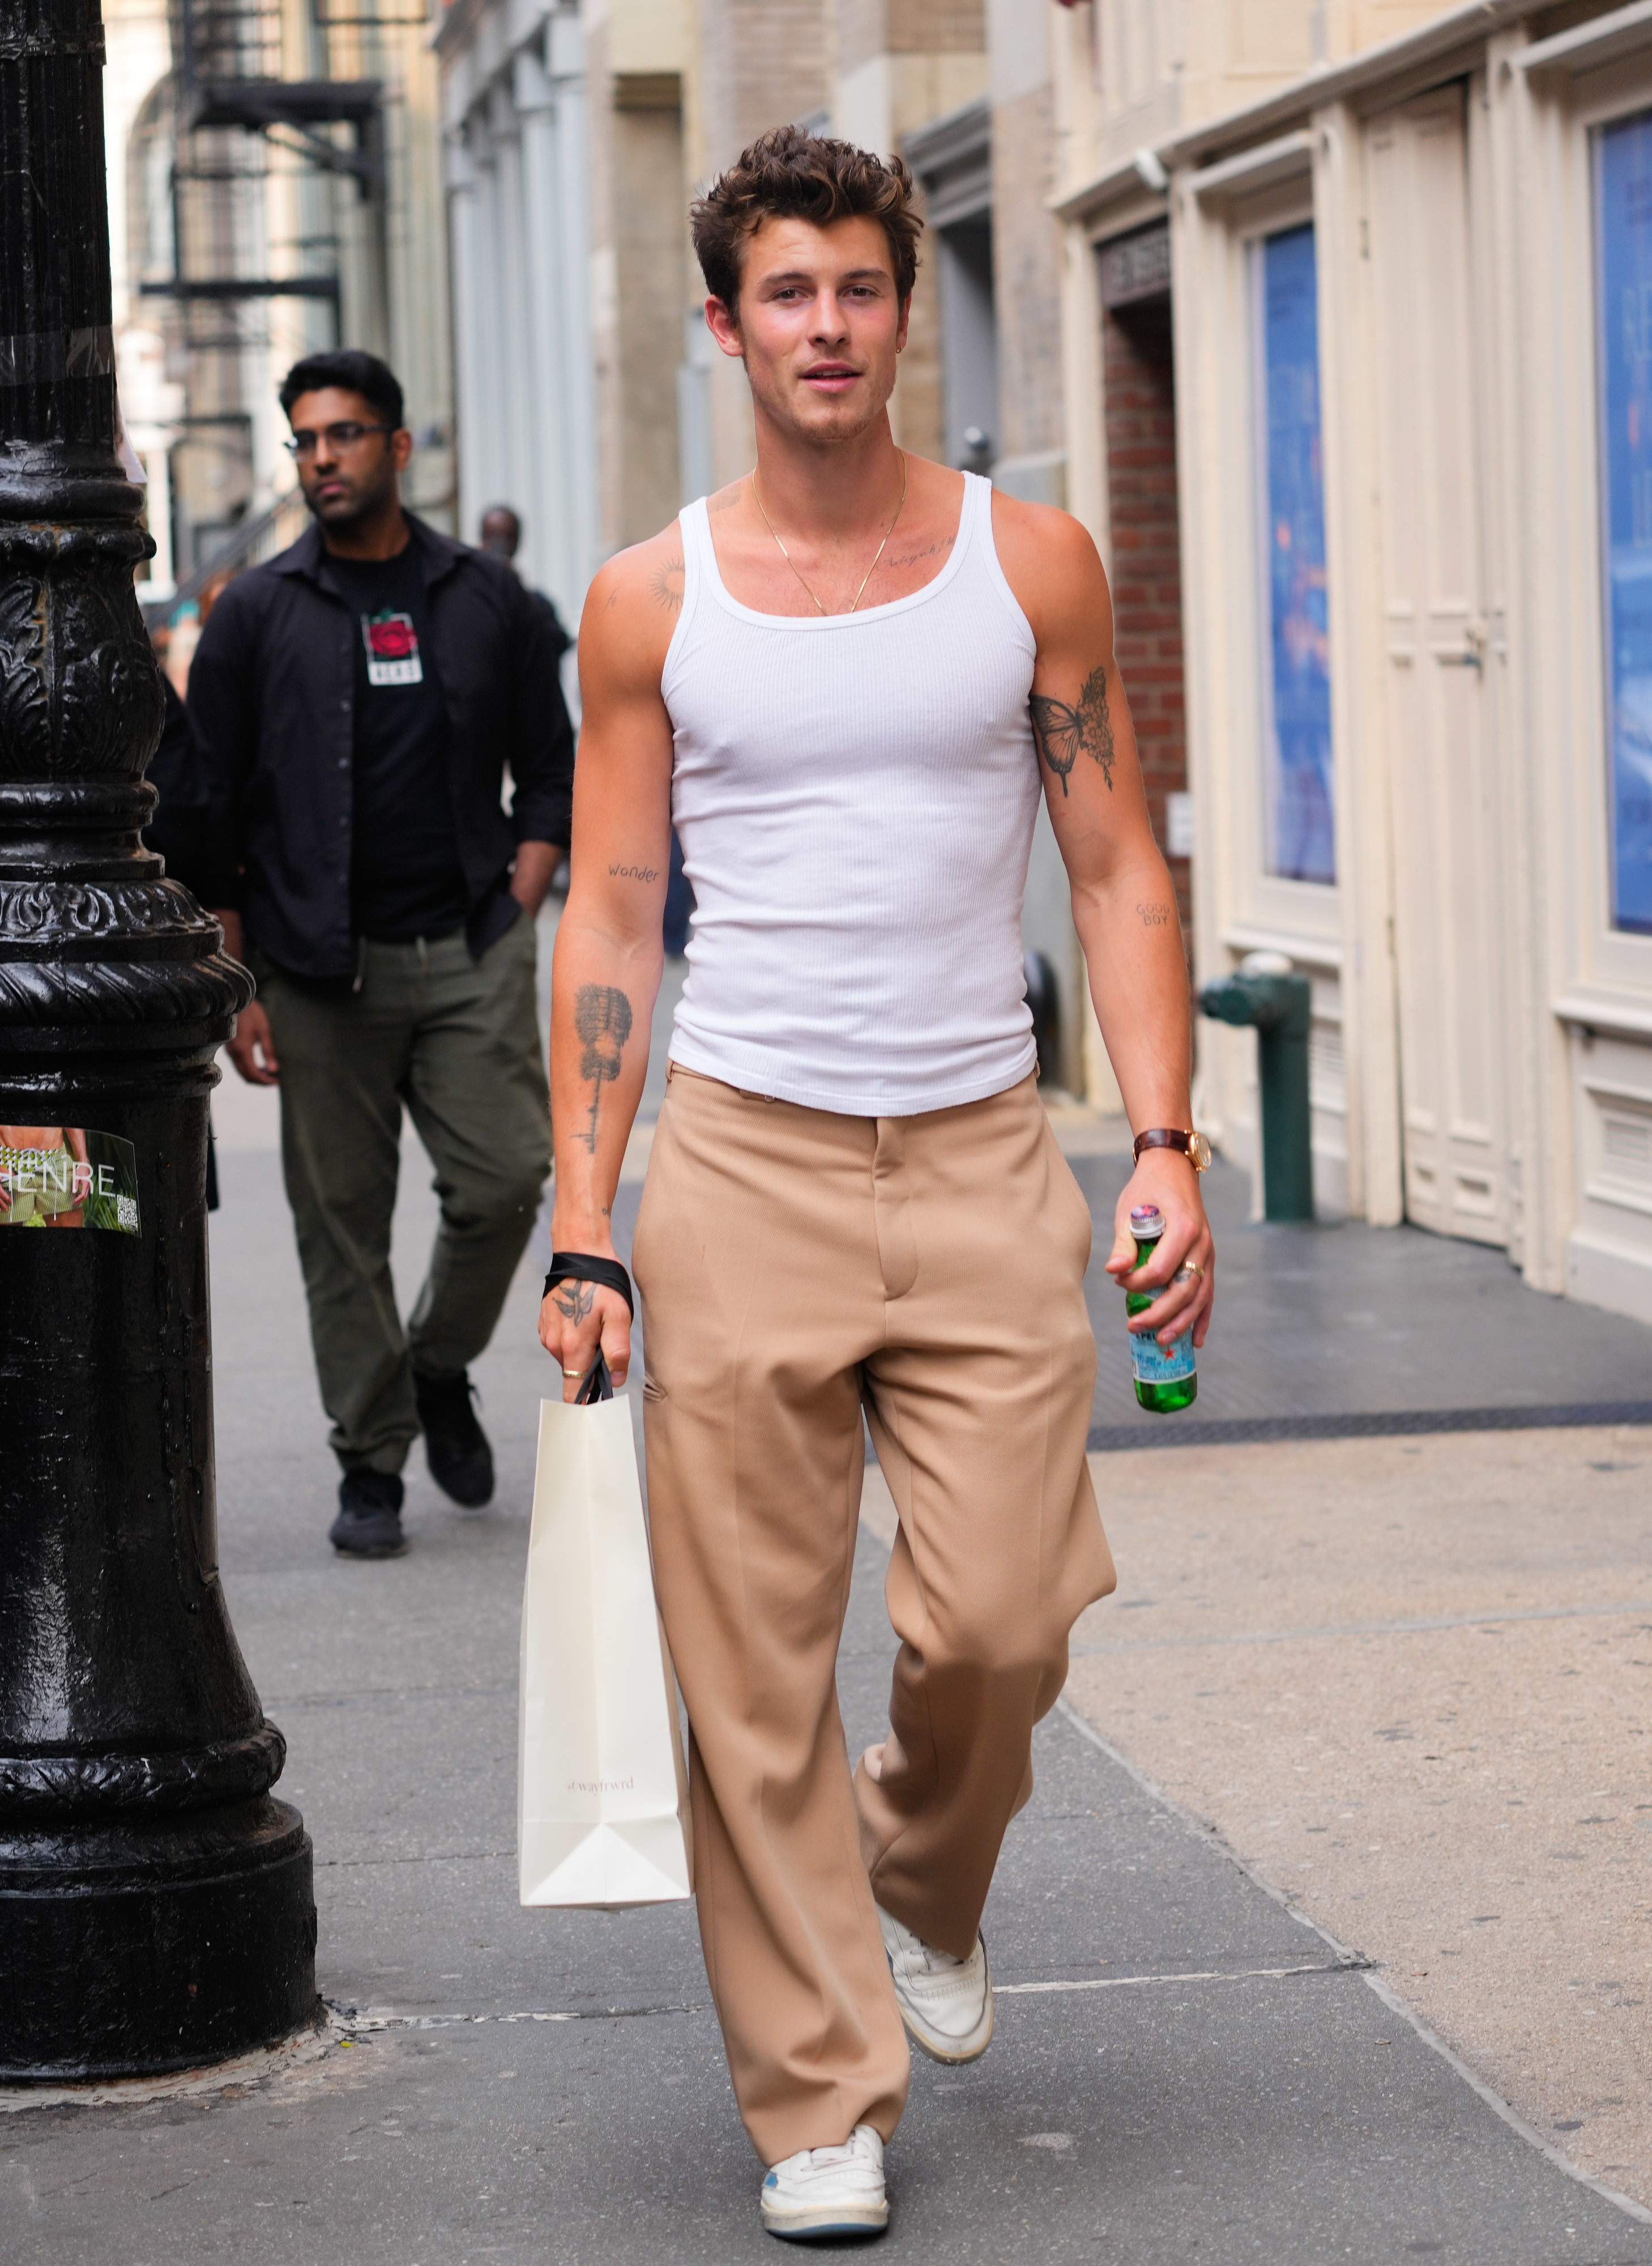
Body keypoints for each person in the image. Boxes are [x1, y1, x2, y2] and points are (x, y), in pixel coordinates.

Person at [539, 127, 1215, 2241]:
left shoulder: (1026, 567)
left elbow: (1111, 864)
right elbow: (618, 912)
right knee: (745, 1670)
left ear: (901, 308)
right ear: (723, 322)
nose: (825, 328)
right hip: (734, 1163)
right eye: (786, 294)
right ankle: (814, 2097)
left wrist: (1169, 1142)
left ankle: (920, 1875)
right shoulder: (651, 598)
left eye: (859, 289)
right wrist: (584, 1214)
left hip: (980, 1158)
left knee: (1001, 1619)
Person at [193, 349, 573, 1560]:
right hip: (314, 966)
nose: (322, 459)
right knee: (340, 1223)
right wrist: (234, 975)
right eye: (305, 440)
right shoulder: (255, 611)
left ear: (398, 449)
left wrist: (525, 883)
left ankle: (438, 1365)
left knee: (509, 1175)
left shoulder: (485, 596)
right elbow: (207, 803)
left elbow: (554, 763)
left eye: (346, 435)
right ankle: (371, 1458)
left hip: (467, 943)